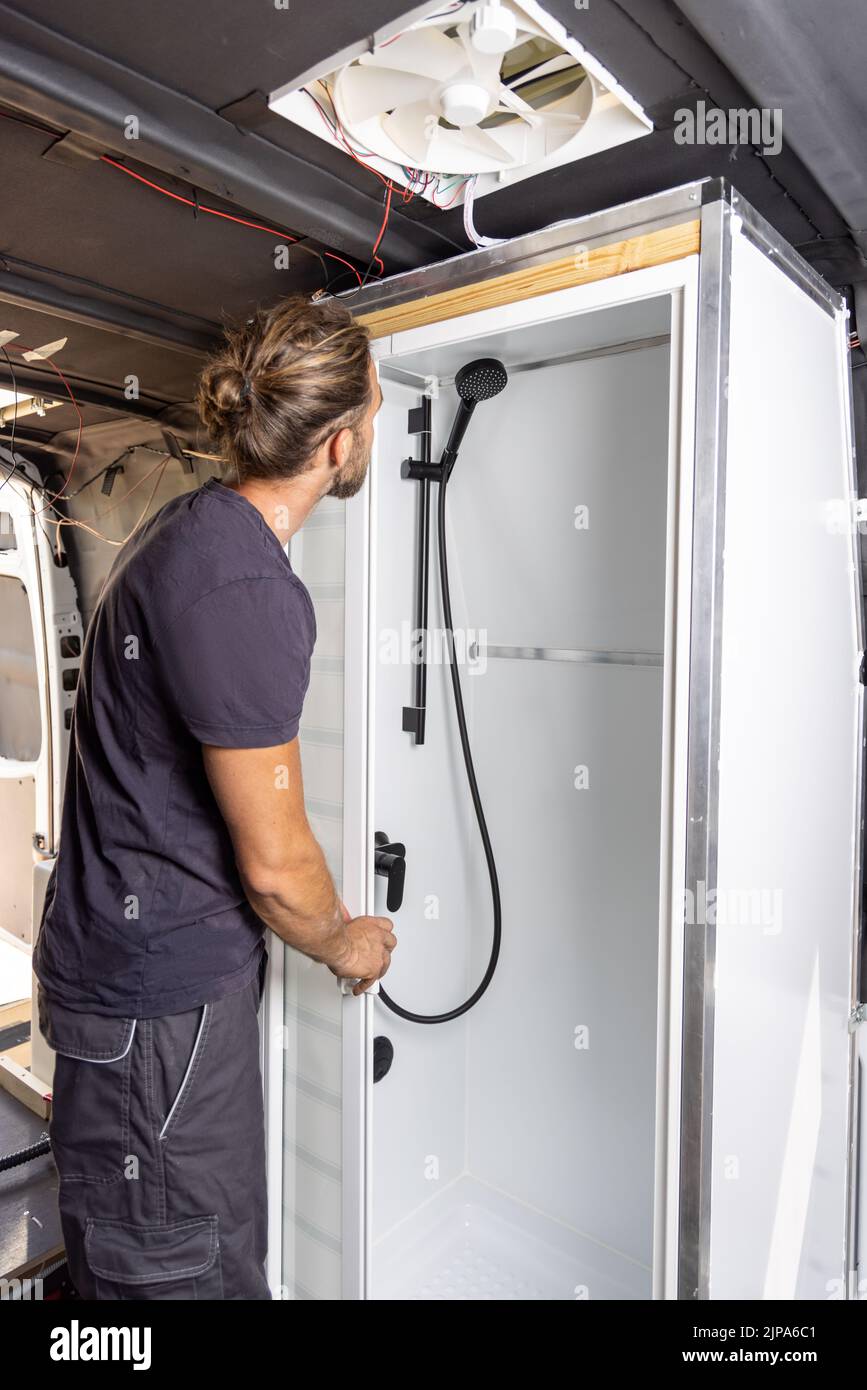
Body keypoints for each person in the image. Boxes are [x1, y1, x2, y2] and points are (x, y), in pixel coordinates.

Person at [33, 295, 396, 1300]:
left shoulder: (192, 530)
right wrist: (347, 942)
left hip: (140, 991)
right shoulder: (244, 588)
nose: (378, 421)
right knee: (176, 1271)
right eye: (373, 406)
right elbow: (278, 871)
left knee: (168, 1251)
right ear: (336, 444)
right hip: (160, 1013)